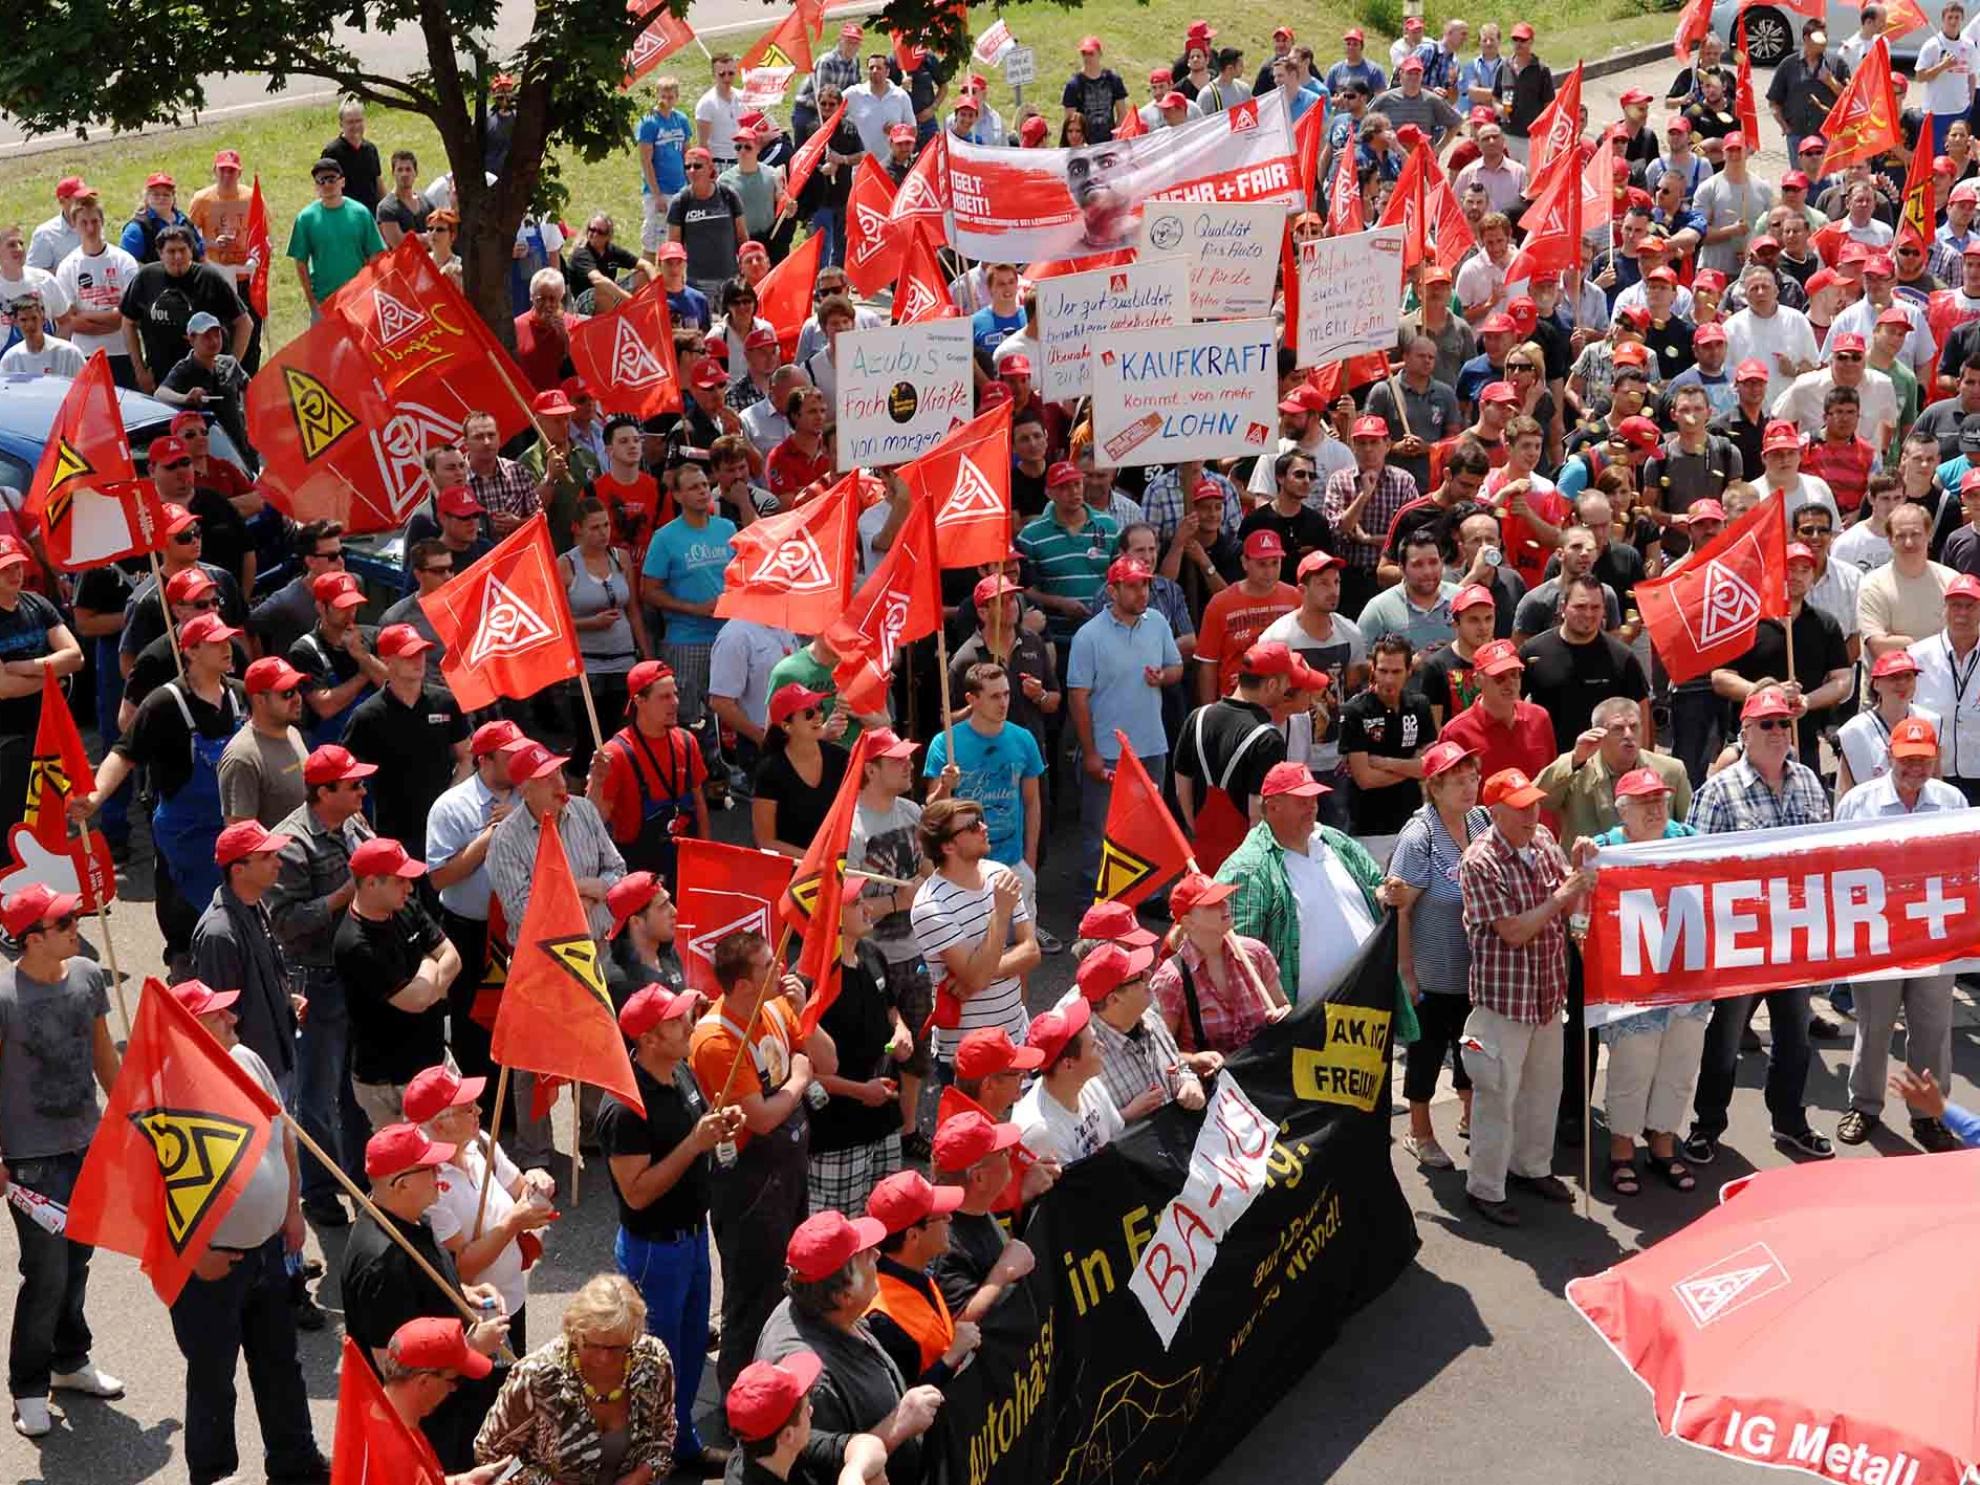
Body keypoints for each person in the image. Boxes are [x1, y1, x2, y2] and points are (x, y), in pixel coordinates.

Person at [162, 976, 325, 1485]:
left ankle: (295, 1462)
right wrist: (194, 1254)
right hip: (211, 1267)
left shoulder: (248, 1061)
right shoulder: (168, 1098)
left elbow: (285, 1139)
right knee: (213, 1379)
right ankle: (213, 1475)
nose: (232, 1019)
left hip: (270, 1249)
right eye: (218, 1015)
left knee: (281, 1363)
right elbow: (150, 1196)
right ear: (191, 1031)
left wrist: (292, 1211)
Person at [1683, 690, 1837, 1166]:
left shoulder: (1810, 781)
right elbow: (1694, 868)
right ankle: (1707, 1125)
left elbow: (1829, 852)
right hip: (1740, 942)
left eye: (1784, 724)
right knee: (1725, 1039)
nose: (1777, 732)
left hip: (1793, 937)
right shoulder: (1718, 790)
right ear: (1744, 732)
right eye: (1766, 724)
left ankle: (1790, 1120)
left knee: (1794, 1036)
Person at [0, 884, 123, 1440]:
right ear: (32, 940)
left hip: (87, 1145)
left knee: (78, 1264)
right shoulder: (3, 998)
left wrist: (127, 1123)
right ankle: (28, 1387)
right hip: (31, 1160)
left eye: (74, 916)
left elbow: (103, 1052)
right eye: (64, 921)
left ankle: (69, 1363)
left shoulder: (89, 978)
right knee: (45, 1274)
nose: (77, 925)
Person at [688, 928, 825, 1393]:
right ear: (743, 983)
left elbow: (820, 1055)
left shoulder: (774, 1007)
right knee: (752, 1297)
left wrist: (805, 1008)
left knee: (793, 1278)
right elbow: (762, 1117)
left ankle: (783, 1378)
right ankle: (739, 1400)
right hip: (749, 1183)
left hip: (789, 1170)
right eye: (769, 965)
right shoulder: (715, 1040)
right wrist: (800, 1080)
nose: (780, 969)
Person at [1457, 768, 1592, 1226]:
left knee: (1543, 1091)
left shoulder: (1544, 843)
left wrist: (1579, 867)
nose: (1531, 814)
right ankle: (1486, 1188)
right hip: (1503, 1004)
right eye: (1519, 808)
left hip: (1547, 997)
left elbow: (1571, 905)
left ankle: (1532, 1167)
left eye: (1533, 804)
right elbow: (1513, 932)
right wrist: (1563, 895)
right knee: (1496, 1094)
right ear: (1495, 812)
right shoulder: (1480, 861)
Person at [1828, 717, 1967, 1152]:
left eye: (1924, 759)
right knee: (1874, 1025)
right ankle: (1865, 1106)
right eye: (1907, 759)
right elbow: (1835, 863)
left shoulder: (1952, 800)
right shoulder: (1859, 803)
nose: (1915, 768)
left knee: (1932, 1028)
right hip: (1877, 938)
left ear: (1935, 759)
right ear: (1888, 756)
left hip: (1935, 936)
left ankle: (1929, 1114)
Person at [74, 610, 243, 967]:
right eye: (216, 643)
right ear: (191, 652)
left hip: (234, 827)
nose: (228, 647)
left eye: (228, 639)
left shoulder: (239, 697)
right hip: (184, 833)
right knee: (184, 915)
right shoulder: (164, 703)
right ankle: (182, 966)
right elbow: (124, 753)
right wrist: (95, 797)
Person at [342, 1124, 509, 1468]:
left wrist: (462, 1292)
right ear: (401, 1184)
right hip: (433, 1419)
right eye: (429, 1168)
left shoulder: (411, 1219)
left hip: (453, 1399)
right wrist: (473, 1347)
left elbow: (427, 1281)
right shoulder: (382, 1263)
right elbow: (393, 1365)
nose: (438, 1173)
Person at [1586, 770, 1712, 1196]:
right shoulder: (1603, 850)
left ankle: (1663, 1142)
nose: (1657, 808)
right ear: (1623, 810)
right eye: (1645, 802)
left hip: (1685, 974)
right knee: (1633, 1064)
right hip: (1632, 982)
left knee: (1679, 1061)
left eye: (1661, 799)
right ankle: (1621, 1150)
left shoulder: (1689, 838)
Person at [267, 744, 379, 1220]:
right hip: (314, 981)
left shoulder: (354, 822)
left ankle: (359, 1175)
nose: (362, 790)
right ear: (323, 792)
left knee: (359, 1084)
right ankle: (316, 1190)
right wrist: (341, 896)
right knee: (316, 1090)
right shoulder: (292, 845)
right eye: (353, 784)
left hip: (357, 973)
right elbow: (284, 921)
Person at [754, 1211, 945, 1483]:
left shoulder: (824, 1307)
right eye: (864, 1255)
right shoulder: (812, 1380)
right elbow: (829, 1473)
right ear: (844, 1295)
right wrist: (898, 1426)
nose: (877, 1255)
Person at [1388, 741, 1489, 1169]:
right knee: (1427, 1053)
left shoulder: (1481, 819)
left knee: (1473, 1048)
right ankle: (1420, 1131)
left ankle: (1470, 1117)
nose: (1469, 789)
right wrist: (1407, 973)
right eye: (1457, 782)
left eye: (1472, 778)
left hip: (1476, 970)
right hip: (1432, 971)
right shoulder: (1419, 837)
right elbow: (1400, 909)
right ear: (1435, 787)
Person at [474, 1273, 680, 1481]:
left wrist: (639, 1476)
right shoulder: (537, 1377)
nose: (603, 1358)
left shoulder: (653, 1361)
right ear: (573, 1330)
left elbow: (664, 1436)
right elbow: (489, 1454)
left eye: (616, 1348)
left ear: (633, 1336)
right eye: (592, 1344)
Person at [1216, 761, 1386, 1005]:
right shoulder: (1248, 869)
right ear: (1273, 806)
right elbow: (1239, 957)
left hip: (1364, 1014)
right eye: (1302, 801)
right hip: (1304, 1026)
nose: (1312, 808)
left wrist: (1386, 894)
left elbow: (1375, 885)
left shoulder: (1334, 841)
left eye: (1314, 800)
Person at [1065, 557, 1184, 904]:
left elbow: (1176, 666)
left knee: (1149, 825)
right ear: (1112, 590)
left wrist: (1164, 677)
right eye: (1132, 585)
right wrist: (1089, 752)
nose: (1141, 592)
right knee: (1101, 828)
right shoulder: (1089, 636)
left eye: (1145, 584)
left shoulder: (1158, 622)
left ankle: (1148, 895)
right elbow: (1078, 698)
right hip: (1109, 751)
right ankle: (1096, 901)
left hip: (1151, 746)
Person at [425, 721, 528, 1097]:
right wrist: (489, 837)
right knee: (473, 1024)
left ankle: (515, 1108)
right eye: (509, 755)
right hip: (470, 932)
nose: (519, 761)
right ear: (484, 760)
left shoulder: (529, 796)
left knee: (520, 1020)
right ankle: (479, 1109)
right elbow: (439, 878)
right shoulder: (452, 807)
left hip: (519, 930)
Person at [334, 837, 460, 1131]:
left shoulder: (407, 908)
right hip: (390, 1083)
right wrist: (429, 962)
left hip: (435, 1060)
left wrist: (426, 986)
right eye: (400, 881)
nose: (410, 888)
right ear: (370, 884)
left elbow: (453, 957)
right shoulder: (355, 943)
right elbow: (414, 1001)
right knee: (414, 1168)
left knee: (458, 1150)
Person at [909, 796, 1038, 1065]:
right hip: (969, 1053)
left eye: (980, 820)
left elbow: (1032, 952)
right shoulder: (930, 906)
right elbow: (978, 979)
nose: (984, 828)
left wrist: (979, 972)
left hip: (1015, 1035)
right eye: (971, 827)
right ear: (947, 846)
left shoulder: (999, 875)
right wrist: (1000, 914)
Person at [925, 663, 1047, 928]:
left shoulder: (1024, 739)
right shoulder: (945, 743)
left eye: (1006, 694)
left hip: (1013, 865)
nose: (1003, 703)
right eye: (994, 696)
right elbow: (931, 813)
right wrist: (946, 786)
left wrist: (1030, 860)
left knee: (1023, 950)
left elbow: (1033, 802)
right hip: (964, 870)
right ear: (972, 700)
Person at [342, 625, 468, 856]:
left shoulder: (446, 703)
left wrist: (449, 800)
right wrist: (360, 823)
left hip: (445, 830)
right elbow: (345, 775)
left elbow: (467, 756)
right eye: (409, 655)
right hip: (392, 835)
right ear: (387, 660)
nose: (418, 660)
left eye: (420, 652)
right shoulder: (367, 716)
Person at [590, 659, 709, 887]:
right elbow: (594, 820)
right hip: (638, 874)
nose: (674, 703)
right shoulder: (615, 753)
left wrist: (706, 853)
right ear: (639, 702)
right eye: (664, 697)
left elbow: (699, 803)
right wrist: (596, 782)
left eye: (675, 694)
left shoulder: (686, 741)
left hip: (685, 863)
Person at [0, 534, 82, 838]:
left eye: (17, 565)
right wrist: (53, 678)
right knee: (12, 828)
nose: (15, 573)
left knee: (51, 823)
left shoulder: (38, 603)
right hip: (7, 741)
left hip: (48, 733)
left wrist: (26, 668)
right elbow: (4, 688)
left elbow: (75, 657)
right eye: (4, 569)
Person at [1082, 939, 1206, 1122]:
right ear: (1114, 1000)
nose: (1149, 975)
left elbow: (1178, 1067)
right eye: (1138, 977)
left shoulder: (1150, 1017)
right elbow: (1081, 1138)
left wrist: (1190, 1083)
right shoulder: (1085, 1056)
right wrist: (1122, 1118)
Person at [1340, 634, 1434, 842]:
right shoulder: (1355, 711)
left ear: (1409, 671)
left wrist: (1384, 762)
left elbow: (1429, 768)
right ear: (1372, 668)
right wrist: (1412, 769)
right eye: (1383, 671)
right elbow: (1364, 779)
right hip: (1369, 830)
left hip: (1414, 824)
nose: (1389, 679)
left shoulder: (1420, 706)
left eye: (1396, 671)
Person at [753, 683, 852, 857]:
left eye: (819, 708)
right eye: (808, 713)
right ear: (786, 726)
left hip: (837, 863)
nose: (818, 716)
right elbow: (765, 841)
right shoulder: (770, 772)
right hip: (793, 874)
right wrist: (814, 861)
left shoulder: (840, 757)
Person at [289, 571, 385, 747]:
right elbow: (325, 707)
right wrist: (365, 674)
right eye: (341, 607)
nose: (350, 612)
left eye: (353, 605)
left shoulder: (373, 636)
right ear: (320, 607)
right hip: (332, 748)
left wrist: (363, 657)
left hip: (375, 742)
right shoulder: (305, 650)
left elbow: (395, 686)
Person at [1909, 572, 1980, 802]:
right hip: (1933, 777)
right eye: (1955, 605)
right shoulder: (1918, 656)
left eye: (1970, 606)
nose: (1962, 613)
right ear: (1944, 609)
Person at [287, 157, 385, 318]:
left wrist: (369, 289)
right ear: (316, 186)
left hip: (359, 299)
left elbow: (375, 254)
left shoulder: (361, 213)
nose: (327, 184)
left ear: (342, 182)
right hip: (324, 302)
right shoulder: (306, 218)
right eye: (321, 181)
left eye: (331, 179)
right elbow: (300, 262)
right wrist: (312, 303)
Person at [1837, 651, 1938, 796]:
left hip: (1921, 810)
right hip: (1872, 812)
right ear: (1876, 684)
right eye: (1894, 677)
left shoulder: (1931, 721)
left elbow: (1936, 778)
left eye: (1908, 676)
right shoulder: (1853, 731)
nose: (1902, 683)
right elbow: (1844, 790)